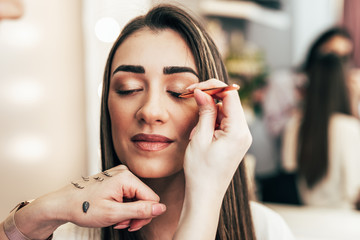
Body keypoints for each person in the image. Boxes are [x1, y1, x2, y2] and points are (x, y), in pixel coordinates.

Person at [0, 4, 294, 240]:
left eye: (179, 90)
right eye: (128, 88)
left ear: (216, 108)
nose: (150, 111)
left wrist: (206, 193)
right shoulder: (71, 232)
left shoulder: (266, 230)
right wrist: (42, 211)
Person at [281, 52, 360, 209]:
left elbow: (288, 166)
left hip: (306, 215)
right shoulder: (348, 127)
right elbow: (354, 187)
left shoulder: (295, 124)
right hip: (343, 219)